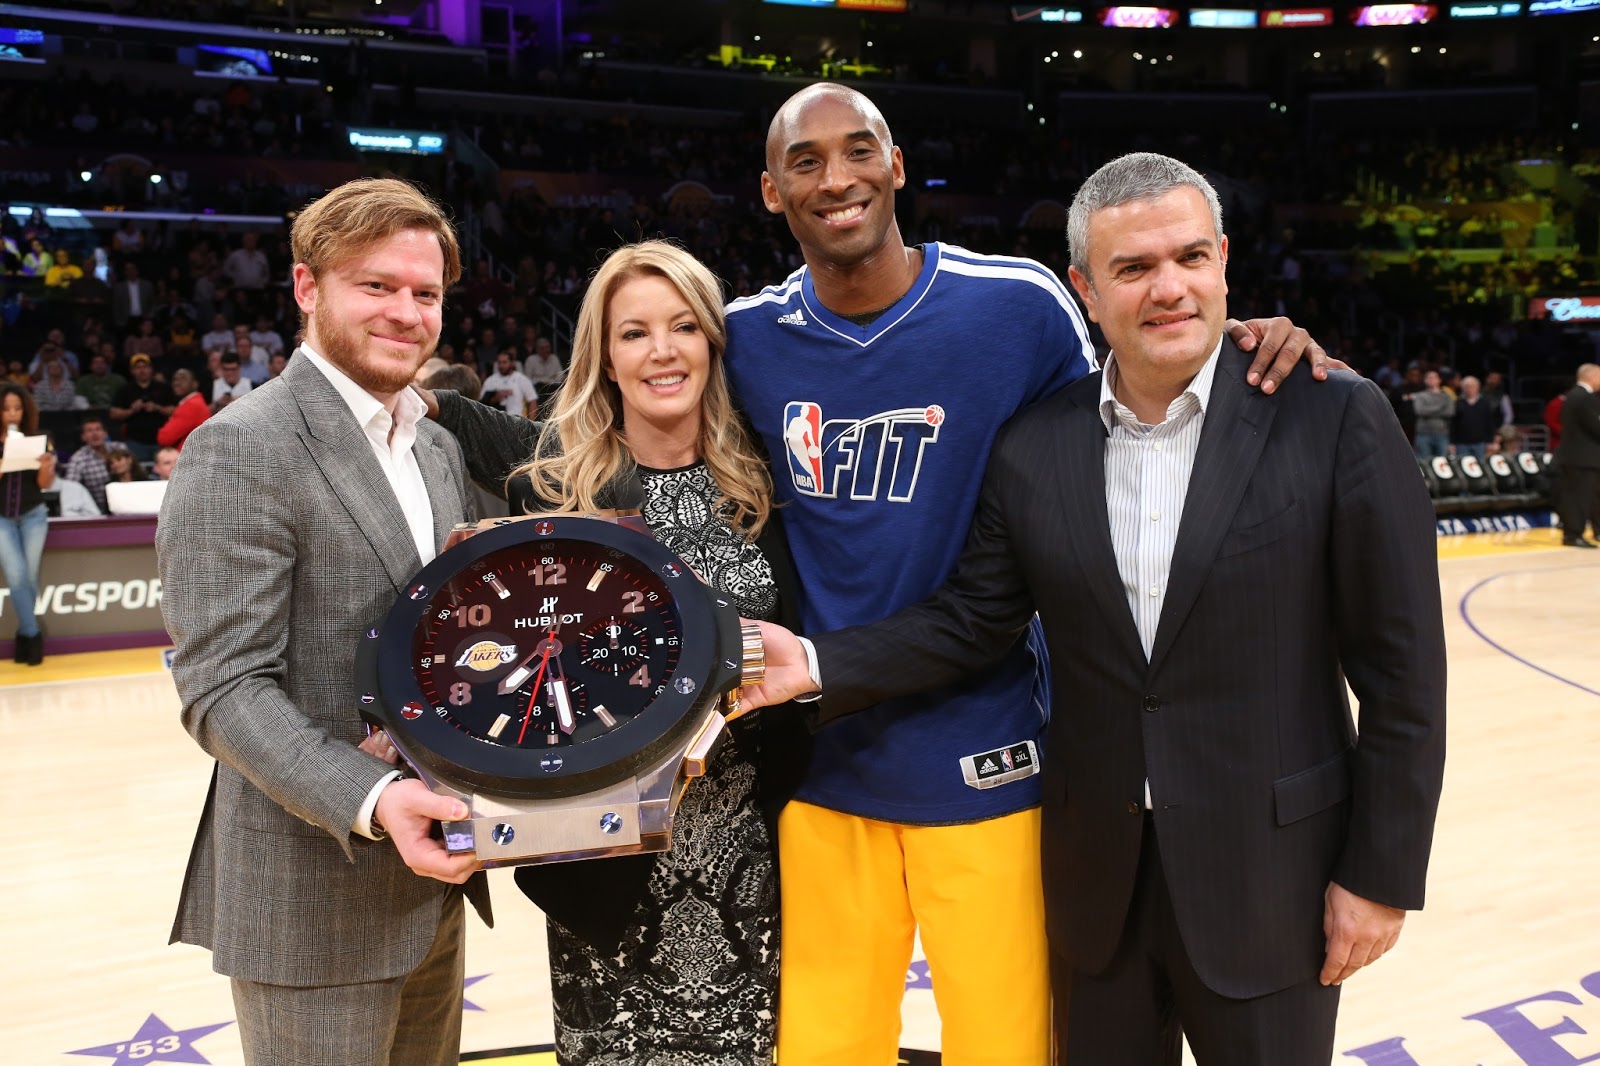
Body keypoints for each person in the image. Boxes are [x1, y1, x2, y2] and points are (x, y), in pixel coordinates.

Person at [745, 152, 1448, 1066]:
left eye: (1189, 257)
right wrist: (818, 664)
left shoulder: (1333, 414)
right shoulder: (1037, 446)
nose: (1169, 287)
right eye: (1134, 267)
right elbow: (974, 618)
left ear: (1223, 260)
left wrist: (1379, 875)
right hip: (1095, 890)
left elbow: (1403, 675)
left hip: (1270, 881)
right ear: (1085, 288)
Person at [412, 239, 810, 1066]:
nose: (662, 350)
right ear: (605, 356)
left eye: (683, 326)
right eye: (634, 332)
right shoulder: (559, 487)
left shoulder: (769, 478)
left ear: (713, 343)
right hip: (605, 862)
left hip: (758, 855)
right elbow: (432, 404)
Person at [155, 176, 491, 1066]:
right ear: (308, 287)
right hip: (311, 900)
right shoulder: (241, 447)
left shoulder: (435, 445)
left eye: (425, 293)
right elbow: (223, 690)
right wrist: (374, 798)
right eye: (376, 286)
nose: (406, 313)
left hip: (434, 885)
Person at [0, 382, 55, 666]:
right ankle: (32, 635)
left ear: (25, 410)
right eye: (6, 408)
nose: (12, 414)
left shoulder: (38, 439)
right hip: (2, 518)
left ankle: (24, 636)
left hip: (33, 514)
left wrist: (45, 466)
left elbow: (44, 484)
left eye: (17, 408)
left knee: (30, 577)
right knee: (17, 576)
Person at [1556, 363, 1600, 548]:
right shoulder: (1584, 397)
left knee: (1587, 496)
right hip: (1582, 458)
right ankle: (1573, 534)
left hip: (1577, 456)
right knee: (1579, 498)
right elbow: (1595, 426)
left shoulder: (1572, 396)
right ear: (1591, 376)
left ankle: (1586, 531)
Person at [64, 416, 113, 512]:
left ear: (105, 433)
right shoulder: (78, 459)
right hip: (96, 511)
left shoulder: (119, 448)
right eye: (89, 431)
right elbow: (70, 488)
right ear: (83, 437)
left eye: (98, 429)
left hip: (126, 504)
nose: (95, 434)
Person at [157, 369, 209, 449]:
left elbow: (164, 438)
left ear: (195, 384)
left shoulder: (192, 405)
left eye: (183, 378)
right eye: (175, 379)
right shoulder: (195, 402)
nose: (177, 383)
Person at [1407, 370, 1454, 459]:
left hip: (1441, 434)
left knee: (1441, 462)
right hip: (1423, 434)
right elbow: (1419, 411)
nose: (1431, 380)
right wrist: (1440, 407)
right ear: (1425, 380)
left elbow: (1449, 412)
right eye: (1429, 377)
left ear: (1439, 380)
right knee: (1423, 462)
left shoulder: (1447, 397)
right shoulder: (1420, 396)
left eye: (1434, 377)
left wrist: (1428, 411)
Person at [1450, 375, 1497, 460]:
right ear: (1463, 389)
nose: (1469, 389)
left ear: (1478, 388)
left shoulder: (1485, 403)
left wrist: (1490, 441)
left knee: (1481, 465)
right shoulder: (1458, 403)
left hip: (1480, 443)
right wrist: (1452, 442)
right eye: (1467, 387)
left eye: (1472, 386)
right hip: (1461, 443)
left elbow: (1490, 422)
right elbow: (1453, 424)